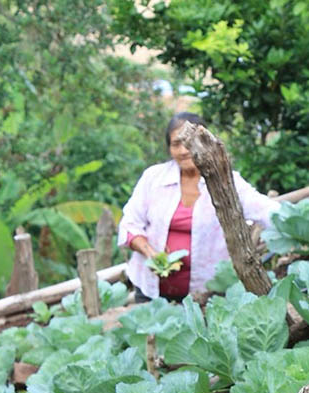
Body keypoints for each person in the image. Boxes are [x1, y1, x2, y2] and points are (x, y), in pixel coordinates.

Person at [118, 112, 279, 300]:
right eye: (176, 144)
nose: (183, 151)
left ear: (204, 142)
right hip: (151, 289)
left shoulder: (227, 180)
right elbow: (130, 224)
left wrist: (294, 222)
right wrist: (151, 254)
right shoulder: (153, 178)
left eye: (189, 143)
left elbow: (264, 209)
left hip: (206, 293)